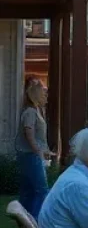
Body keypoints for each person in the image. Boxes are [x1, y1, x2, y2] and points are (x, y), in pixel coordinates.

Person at [16, 78, 53, 219]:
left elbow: (37, 137)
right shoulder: (30, 112)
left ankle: (26, 222)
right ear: (36, 94)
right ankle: (37, 222)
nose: (46, 95)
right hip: (30, 156)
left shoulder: (37, 110)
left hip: (30, 155)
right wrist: (39, 152)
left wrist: (46, 150)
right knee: (41, 190)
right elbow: (29, 134)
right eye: (43, 92)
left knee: (28, 191)